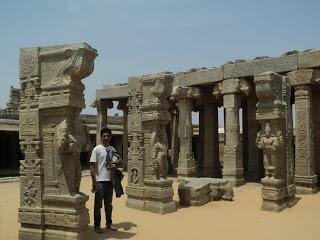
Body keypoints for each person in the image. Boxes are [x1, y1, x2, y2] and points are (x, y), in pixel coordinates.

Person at [90, 127, 120, 234]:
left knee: (109, 204)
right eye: (104, 136)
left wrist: (115, 166)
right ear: (101, 137)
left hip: (109, 181)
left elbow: (116, 163)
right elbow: (92, 166)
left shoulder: (113, 150)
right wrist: (94, 182)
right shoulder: (96, 149)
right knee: (98, 205)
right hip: (99, 181)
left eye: (108, 136)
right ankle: (97, 226)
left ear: (111, 137)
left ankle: (109, 223)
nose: (106, 138)